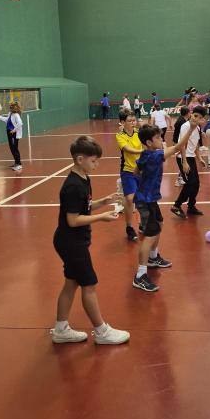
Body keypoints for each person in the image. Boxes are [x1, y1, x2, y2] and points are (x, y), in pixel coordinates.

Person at [51, 135, 130, 345]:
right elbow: (73, 220)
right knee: (89, 284)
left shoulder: (84, 178)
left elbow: (83, 207)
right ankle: (102, 331)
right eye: (93, 161)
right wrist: (101, 217)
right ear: (80, 159)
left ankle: (60, 329)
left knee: (71, 282)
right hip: (71, 242)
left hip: (73, 240)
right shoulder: (72, 186)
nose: (97, 165)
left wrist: (103, 202)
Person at [132, 122, 195, 292]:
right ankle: (140, 275)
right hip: (145, 200)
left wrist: (140, 183)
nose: (161, 140)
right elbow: (178, 147)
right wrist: (191, 129)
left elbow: (136, 171)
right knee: (150, 235)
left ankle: (153, 258)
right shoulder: (154, 156)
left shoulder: (146, 154)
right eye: (158, 138)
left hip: (149, 198)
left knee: (159, 224)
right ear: (148, 142)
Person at [171, 105, 208, 219]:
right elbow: (182, 145)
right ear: (191, 114)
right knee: (190, 183)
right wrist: (184, 162)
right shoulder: (185, 126)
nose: (196, 119)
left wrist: (199, 158)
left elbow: (195, 144)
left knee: (196, 184)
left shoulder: (197, 128)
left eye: (200, 117)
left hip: (191, 157)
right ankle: (176, 206)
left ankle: (191, 206)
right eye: (195, 116)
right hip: (183, 157)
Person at [116, 110, 143, 241]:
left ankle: (142, 223)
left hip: (141, 170)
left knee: (142, 198)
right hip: (128, 171)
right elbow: (127, 149)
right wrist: (142, 151)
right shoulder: (120, 136)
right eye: (130, 121)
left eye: (134, 120)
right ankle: (129, 227)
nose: (133, 123)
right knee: (130, 198)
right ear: (122, 122)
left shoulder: (139, 133)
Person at [0, 101, 23, 171]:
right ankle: (16, 162)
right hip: (9, 132)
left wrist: (14, 130)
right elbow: (6, 120)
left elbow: (20, 123)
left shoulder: (16, 115)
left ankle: (19, 164)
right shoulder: (10, 114)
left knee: (15, 148)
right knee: (12, 148)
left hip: (14, 134)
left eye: (11, 107)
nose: (10, 108)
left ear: (14, 108)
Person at [173, 106, 190, 186]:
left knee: (183, 160)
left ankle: (181, 178)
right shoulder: (182, 122)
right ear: (187, 113)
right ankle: (179, 179)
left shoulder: (182, 120)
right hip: (179, 143)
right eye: (190, 112)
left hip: (179, 142)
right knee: (182, 160)